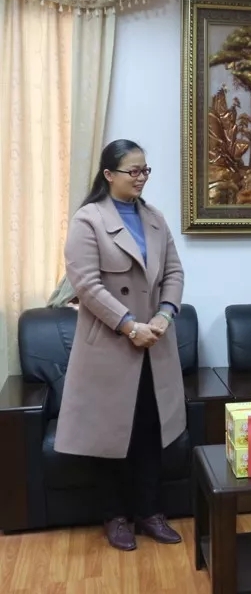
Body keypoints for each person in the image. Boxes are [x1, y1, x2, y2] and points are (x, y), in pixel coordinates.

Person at [56, 139, 186, 551]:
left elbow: (175, 272)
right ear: (109, 174)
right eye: (133, 171)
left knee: (150, 429)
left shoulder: (155, 218)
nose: (141, 177)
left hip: (154, 343)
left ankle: (150, 512)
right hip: (111, 344)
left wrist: (165, 314)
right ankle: (115, 516)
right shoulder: (88, 220)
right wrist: (130, 326)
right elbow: (87, 285)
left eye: (145, 170)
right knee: (110, 434)